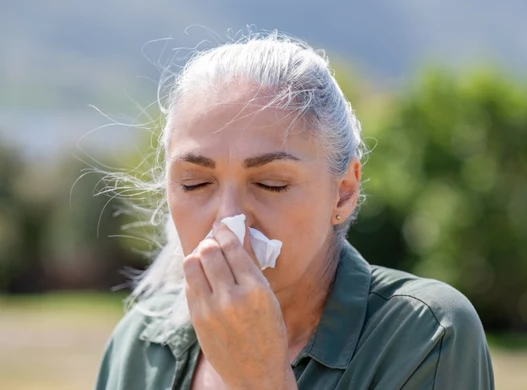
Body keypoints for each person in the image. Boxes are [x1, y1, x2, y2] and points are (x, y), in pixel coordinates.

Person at [95, 32, 495, 390]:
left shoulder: (423, 334)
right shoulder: (142, 343)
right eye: (195, 184)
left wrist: (259, 379)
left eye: (272, 184)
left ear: (343, 193)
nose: (228, 221)